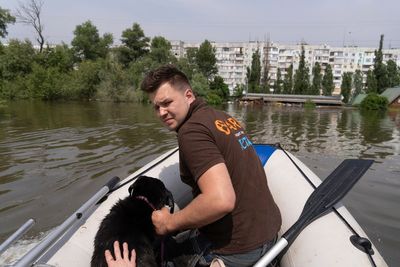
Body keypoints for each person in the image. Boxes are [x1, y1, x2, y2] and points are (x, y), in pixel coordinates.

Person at [139, 64, 282, 267]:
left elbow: (220, 200)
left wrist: (168, 223)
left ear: (188, 95)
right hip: (270, 236)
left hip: (238, 250)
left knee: (161, 253)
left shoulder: (191, 132)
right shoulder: (223, 117)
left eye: (167, 102)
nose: (161, 112)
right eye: (156, 106)